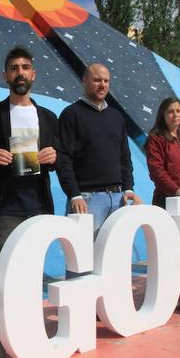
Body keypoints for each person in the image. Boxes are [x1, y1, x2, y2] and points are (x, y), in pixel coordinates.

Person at [0, 46, 58, 358]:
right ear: (5, 75)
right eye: (14, 68)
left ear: (34, 74)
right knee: (4, 277)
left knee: (33, 275)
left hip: (39, 207)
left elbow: (61, 156)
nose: (20, 72)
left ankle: (29, 333)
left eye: (25, 67)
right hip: (5, 208)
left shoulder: (48, 117)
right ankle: (4, 343)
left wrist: (54, 157)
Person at [57, 63, 141, 234]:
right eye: (97, 80)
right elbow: (63, 158)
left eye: (106, 80)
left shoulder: (116, 117)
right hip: (86, 201)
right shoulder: (71, 114)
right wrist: (74, 195)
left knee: (114, 259)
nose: (102, 84)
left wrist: (129, 188)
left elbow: (124, 157)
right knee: (83, 259)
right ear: (84, 80)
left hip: (118, 200)